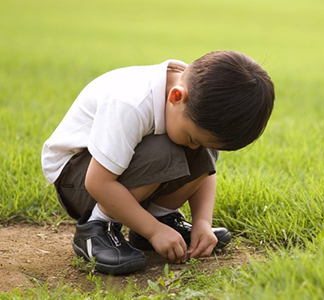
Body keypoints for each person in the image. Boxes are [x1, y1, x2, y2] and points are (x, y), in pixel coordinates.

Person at [41, 50, 275, 275]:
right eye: (192, 137)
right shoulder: (130, 103)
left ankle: (159, 218)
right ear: (176, 97)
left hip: (114, 174)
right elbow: (98, 183)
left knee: (200, 150)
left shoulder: (194, 94)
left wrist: (203, 222)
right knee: (166, 151)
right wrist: (154, 231)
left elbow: (206, 169)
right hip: (77, 178)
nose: (193, 146)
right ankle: (97, 227)